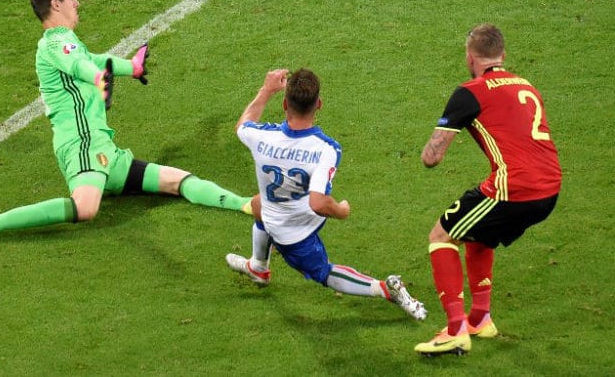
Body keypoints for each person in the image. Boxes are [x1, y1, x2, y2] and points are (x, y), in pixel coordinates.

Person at [0, 0, 251, 249]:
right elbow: (82, 66)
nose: (77, 2)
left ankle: (245, 204)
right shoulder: (55, 43)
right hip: (82, 145)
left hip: (104, 151)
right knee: (85, 208)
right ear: (55, 4)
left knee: (176, 180)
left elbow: (93, 58)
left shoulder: (66, 43)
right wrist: (97, 79)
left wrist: (133, 67)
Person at [225, 68, 427, 321]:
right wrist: (341, 210)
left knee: (260, 204)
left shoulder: (261, 137)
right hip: (296, 225)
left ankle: (258, 268)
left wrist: (266, 90)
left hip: (285, 224)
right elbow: (318, 202)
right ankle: (385, 290)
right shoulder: (325, 149)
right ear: (318, 104)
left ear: (285, 103)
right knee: (322, 271)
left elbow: (243, 125)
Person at [414, 23, 562, 356]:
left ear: (470, 57)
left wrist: (450, 122)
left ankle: (455, 330)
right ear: (503, 55)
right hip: (550, 188)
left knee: (442, 234)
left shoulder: (470, 92)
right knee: (480, 234)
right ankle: (480, 318)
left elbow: (432, 158)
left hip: (515, 189)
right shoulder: (527, 85)